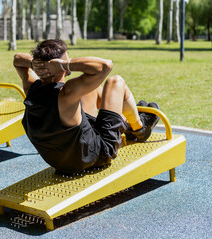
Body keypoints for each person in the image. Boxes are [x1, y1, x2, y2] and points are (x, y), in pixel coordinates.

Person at [13, 39, 159, 174]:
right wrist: (64, 64)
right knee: (115, 82)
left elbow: (17, 59)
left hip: (60, 160)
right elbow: (105, 66)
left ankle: (123, 121)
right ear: (59, 64)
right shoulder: (66, 92)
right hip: (94, 155)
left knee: (91, 88)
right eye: (68, 58)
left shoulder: (32, 88)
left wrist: (35, 64)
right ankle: (139, 128)